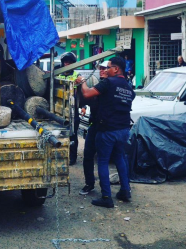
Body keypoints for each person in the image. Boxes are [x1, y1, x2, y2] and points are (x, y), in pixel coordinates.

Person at [75, 57, 135, 208]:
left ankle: (106, 197)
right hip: (123, 129)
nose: (106, 70)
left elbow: (87, 94)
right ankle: (125, 191)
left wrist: (82, 82)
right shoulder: (128, 87)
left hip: (107, 130)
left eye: (108, 68)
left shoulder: (108, 83)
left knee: (102, 161)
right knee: (120, 158)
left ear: (116, 69)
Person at [79, 61, 109, 196]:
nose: (102, 70)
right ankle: (89, 183)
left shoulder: (111, 85)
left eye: (105, 68)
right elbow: (89, 98)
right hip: (94, 125)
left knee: (110, 158)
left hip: (108, 128)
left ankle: (114, 189)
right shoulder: (99, 84)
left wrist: (83, 82)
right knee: (88, 155)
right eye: (101, 68)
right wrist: (85, 107)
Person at [57, 52, 83, 166]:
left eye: (69, 62)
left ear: (73, 63)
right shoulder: (58, 74)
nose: (67, 63)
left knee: (73, 134)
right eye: (65, 61)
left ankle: (72, 157)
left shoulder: (77, 75)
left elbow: (82, 93)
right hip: (59, 109)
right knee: (59, 133)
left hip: (73, 110)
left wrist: (83, 107)